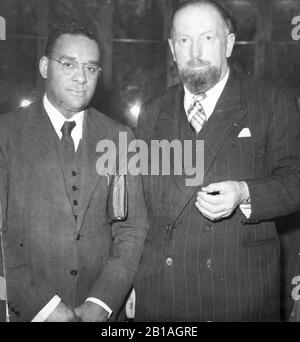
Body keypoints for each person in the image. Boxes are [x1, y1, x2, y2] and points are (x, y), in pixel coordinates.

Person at [133, 0, 300, 321]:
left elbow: (296, 178)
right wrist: (133, 285)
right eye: (184, 40)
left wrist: (245, 192)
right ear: (172, 48)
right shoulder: (152, 110)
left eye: (207, 38)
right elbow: (143, 207)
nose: (194, 50)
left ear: (230, 44)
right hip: (160, 297)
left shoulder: (272, 100)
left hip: (236, 296)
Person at [0, 24, 148, 322]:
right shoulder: (6, 135)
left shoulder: (121, 138)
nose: (81, 78)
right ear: (44, 66)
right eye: (68, 64)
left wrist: (100, 305)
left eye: (91, 68)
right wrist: (44, 308)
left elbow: (131, 231)